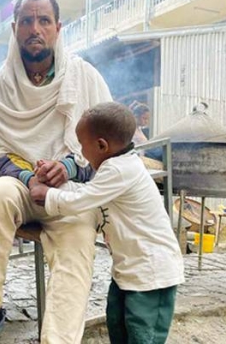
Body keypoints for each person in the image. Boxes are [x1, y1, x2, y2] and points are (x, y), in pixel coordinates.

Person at [0, 0, 112, 344]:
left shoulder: (84, 76)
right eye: (27, 22)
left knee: (80, 232)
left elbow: (108, 146)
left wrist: (68, 168)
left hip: (71, 191)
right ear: (15, 29)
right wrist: (29, 177)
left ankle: (59, 339)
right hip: (22, 185)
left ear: (58, 28)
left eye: (44, 20)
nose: (36, 28)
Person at [29, 102, 184, 344]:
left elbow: (83, 199)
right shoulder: (113, 168)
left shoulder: (122, 170)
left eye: (82, 146)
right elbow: (90, 192)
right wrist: (57, 184)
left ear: (102, 145)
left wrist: (45, 194)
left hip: (152, 275)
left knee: (143, 335)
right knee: (118, 325)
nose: (81, 153)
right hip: (128, 272)